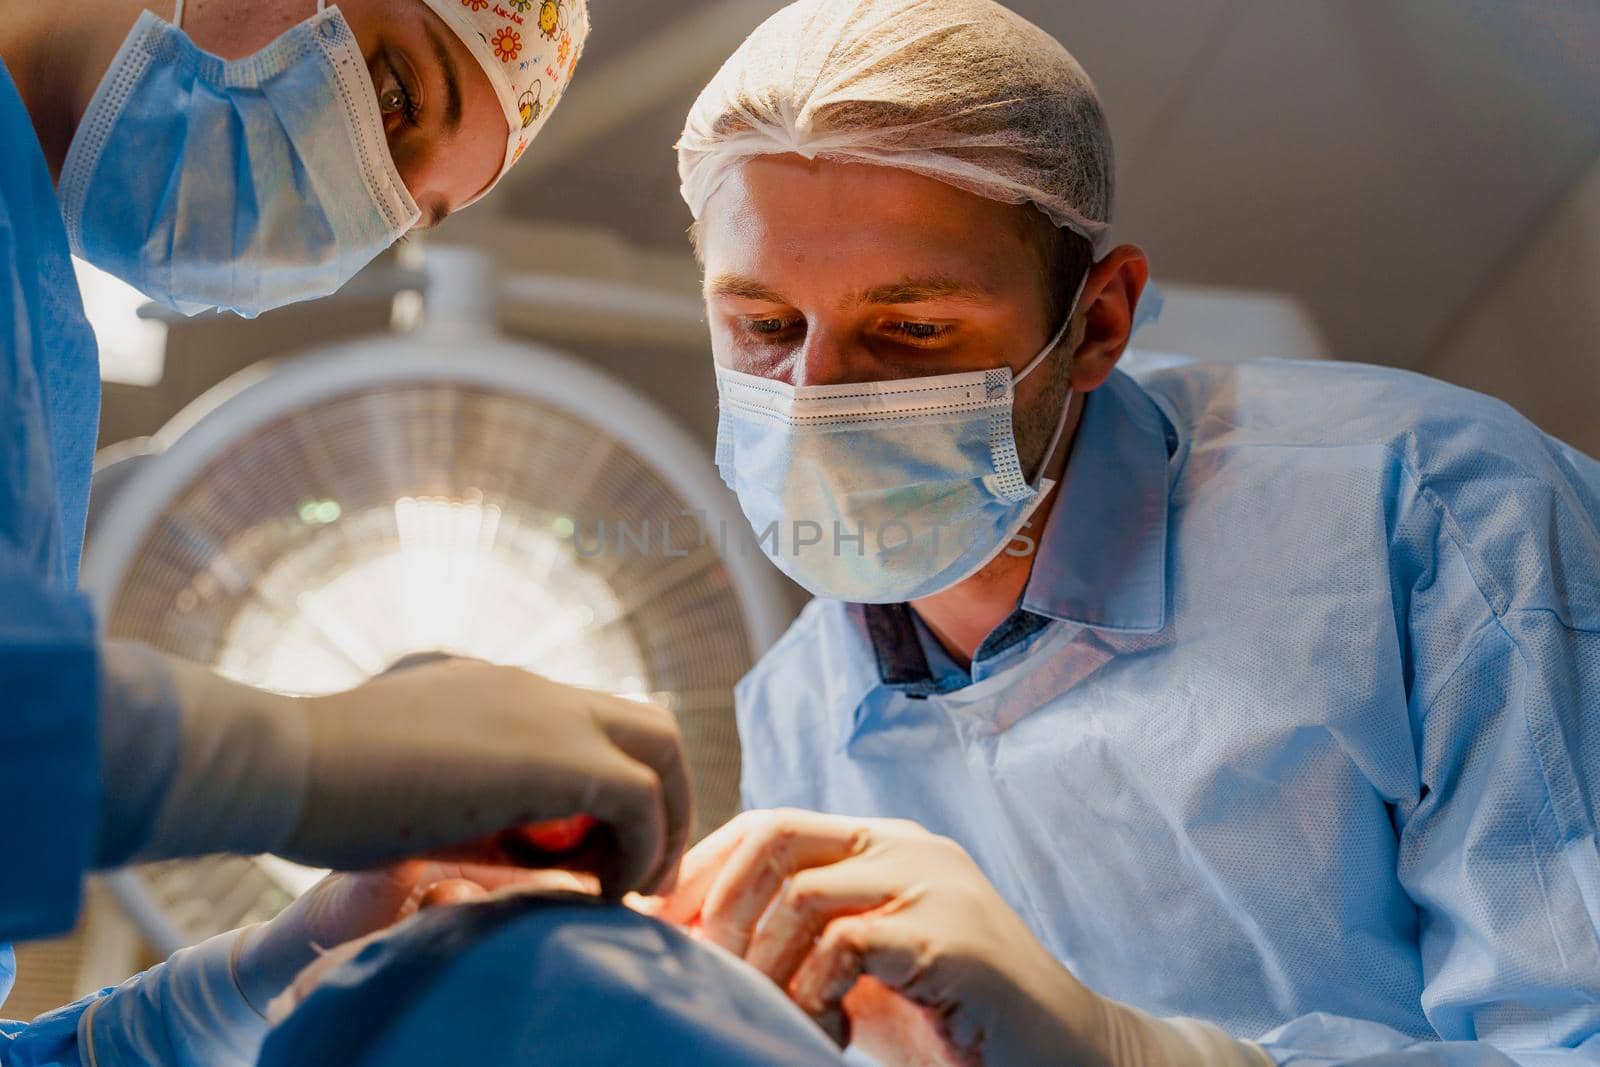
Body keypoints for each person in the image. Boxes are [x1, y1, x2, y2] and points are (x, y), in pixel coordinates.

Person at [646, 0, 1600, 1064]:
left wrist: (1132, 1053)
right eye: (764, 326)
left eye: (911, 330)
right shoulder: (800, 719)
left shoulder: (1430, 522)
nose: (814, 392)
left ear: (1099, 322)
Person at [0, 0, 695, 1062]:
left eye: (411, 211)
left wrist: (260, 976)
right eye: (394, 90)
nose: (357, 202)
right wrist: (303, 759)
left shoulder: (37, 341)